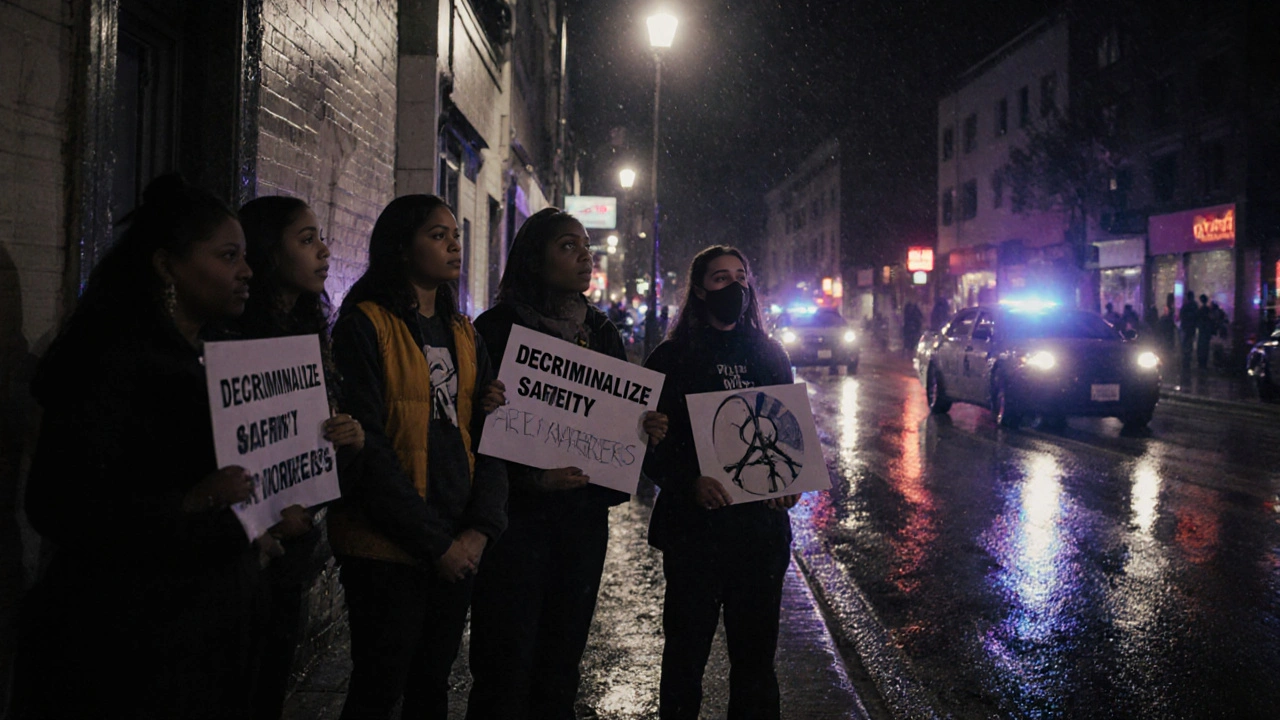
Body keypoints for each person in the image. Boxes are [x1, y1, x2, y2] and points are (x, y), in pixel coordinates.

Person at [14, 175, 312, 719]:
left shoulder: (221, 354)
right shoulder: (106, 359)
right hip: (126, 647)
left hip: (211, 640)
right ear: (166, 265)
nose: (247, 271)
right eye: (227, 255)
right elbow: (58, 505)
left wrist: (263, 521)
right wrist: (193, 501)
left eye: (245, 254)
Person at [466, 208, 666, 719]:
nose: (585, 256)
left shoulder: (599, 331)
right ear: (536, 258)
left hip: (580, 525)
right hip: (514, 527)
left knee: (561, 662)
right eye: (567, 246)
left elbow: (618, 423)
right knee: (504, 662)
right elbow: (468, 433)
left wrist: (642, 430)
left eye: (586, 246)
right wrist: (529, 476)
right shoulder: (495, 329)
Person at [328, 194, 508, 720]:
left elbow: (490, 438)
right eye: (437, 234)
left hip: (456, 542)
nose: (454, 244)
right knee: (379, 688)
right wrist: (436, 545)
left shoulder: (465, 334)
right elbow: (368, 449)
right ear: (401, 248)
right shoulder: (365, 325)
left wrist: (478, 531)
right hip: (386, 549)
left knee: (431, 686)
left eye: (455, 234)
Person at [642, 245, 800, 720]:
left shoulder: (770, 353)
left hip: (759, 537)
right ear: (698, 290)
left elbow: (786, 432)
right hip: (695, 536)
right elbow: (648, 443)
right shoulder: (671, 356)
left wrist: (790, 481)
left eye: (740, 277)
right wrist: (687, 482)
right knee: (685, 660)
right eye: (719, 279)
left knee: (755, 665)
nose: (732, 287)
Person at [236, 195, 367, 720]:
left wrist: (347, 438)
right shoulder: (232, 335)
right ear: (268, 251)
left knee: (269, 684)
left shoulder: (312, 333)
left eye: (322, 238)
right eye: (307, 239)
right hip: (238, 558)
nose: (325, 251)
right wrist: (259, 521)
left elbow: (312, 443)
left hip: (292, 550)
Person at [1179, 290, 1199, 370]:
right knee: (1189, 343)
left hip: (1186, 327)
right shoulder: (1194, 305)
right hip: (1192, 327)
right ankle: (1188, 358)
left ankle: (1185, 359)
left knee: (1185, 343)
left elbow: (1182, 315)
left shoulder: (1186, 305)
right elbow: (1196, 316)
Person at [1196, 294, 1213, 370]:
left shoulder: (1201, 309)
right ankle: (1204, 364)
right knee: (1205, 348)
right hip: (1206, 331)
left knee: (1201, 347)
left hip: (1202, 331)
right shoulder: (1208, 310)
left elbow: (1198, 319)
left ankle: (1201, 363)